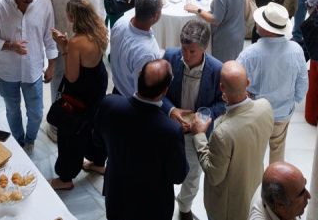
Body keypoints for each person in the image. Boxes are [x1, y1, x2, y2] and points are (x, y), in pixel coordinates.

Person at [93, 59, 189, 220]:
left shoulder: (109, 104)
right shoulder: (171, 130)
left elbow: (97, 141)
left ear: (138, 76)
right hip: (153, 207)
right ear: (165, 91)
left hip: (117, 197)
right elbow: (178, 176)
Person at [0, 0, 56, 150]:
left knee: (36, 113)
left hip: (33, 70)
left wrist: (51, 66)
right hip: (7, 72)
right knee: (12, 110)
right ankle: (18, 140)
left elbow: (50, 38)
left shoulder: (44, 4)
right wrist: (10, 46)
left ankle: (30, 139)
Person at [161, 20, 227, 220]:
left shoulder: (217, 69)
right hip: (171, 128)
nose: (186, 56)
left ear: (204, 48)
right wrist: (171, 110)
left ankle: (184, 206)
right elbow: (159, 92)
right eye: (184, 49)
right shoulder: (170, 56)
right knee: (163, 168)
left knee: (193, 175)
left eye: (192, 51)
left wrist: (204, 117)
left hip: (197, 134)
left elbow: (222, 103)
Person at [192, 60, 274, 220]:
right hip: (254, 191)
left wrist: (199, 135)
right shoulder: (265, 107)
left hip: (227, 208)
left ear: (222, 88)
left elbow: (214, 175)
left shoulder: (223, 133)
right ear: (248, 83)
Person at [48, 0, 109, 190]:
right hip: (98, 84)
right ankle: (98, 163)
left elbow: (72, 77)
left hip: (81, 93)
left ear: (72, 17)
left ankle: (65, 178)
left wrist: (64, 48)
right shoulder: (100, 32)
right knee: (94, 126)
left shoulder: (76, 42)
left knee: (70, 134)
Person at [239, 2, 308, 163]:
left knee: (255, 153)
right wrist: (294, 99)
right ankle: (275, 177)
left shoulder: (250, 54)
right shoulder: (296, 50)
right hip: (283, 112)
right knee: (278, 150)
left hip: (256, 113)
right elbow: (303, 82)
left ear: (266, 29)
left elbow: (234, 81)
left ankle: (255, 176)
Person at [108, 0, 165, 97]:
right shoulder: (147, 51)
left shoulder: (120, 22)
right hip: (130, 98)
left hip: (117, 86)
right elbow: (143, 90)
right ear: (155, 16)